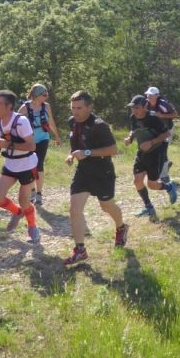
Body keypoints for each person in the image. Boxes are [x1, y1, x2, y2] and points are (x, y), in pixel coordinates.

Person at [63, 91, 128, 265]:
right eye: (73, 108)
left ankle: (121, 227)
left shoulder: (99, 125)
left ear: (89, 107)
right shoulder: (72, 122)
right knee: (74, 209)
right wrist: (72, 155)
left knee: (106, 206)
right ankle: (80, 250)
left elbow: (113, 150)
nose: (75, 112)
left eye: (79, 108)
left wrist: (86, 153)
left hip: (102, 171)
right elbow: (76, 144)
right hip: (83, 171)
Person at [0, 90, 41, 244]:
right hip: (10, 164)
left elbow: (32, 146)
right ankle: (17, 212)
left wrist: (7, 145)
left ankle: (32, 227)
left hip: (27, 165)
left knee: (24, 200)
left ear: (9, 106)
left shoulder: (21, 121)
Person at [124, 95, 176, 219]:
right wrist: (130, 138)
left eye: (137, 107)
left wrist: (151, 142)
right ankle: (149, 207)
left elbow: (166, 134)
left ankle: (168, 186)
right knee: (137, 181)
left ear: (145, 107)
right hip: (142, 152)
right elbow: (134, 130)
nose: (134, 110)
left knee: (152, 185)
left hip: (156, 153)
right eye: (132, 108)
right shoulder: (133, 117)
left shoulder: (153, 118)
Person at [18, 84, 61, 207]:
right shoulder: (24, 108)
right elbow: (15, 123)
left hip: (43, 138)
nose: (46, 97)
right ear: (37, 95)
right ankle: (32, 190)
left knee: (39, 164)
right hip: (30, 141)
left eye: (47, 94)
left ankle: (39, 194)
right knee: (30, 165)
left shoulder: (46, 106)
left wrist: (57, 136)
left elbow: (51, 122)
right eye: (44, 94)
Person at [144, 86, 178, 184]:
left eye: (150, 95)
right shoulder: (146, 104)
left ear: (156, 96)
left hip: (167, 130)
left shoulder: (163, 104)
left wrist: (162, 115)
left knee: (163, 150)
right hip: (156, 130)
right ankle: (165, 165)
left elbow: (175, 114)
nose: (148, 97)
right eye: (148, 95)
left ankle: (165, 176)